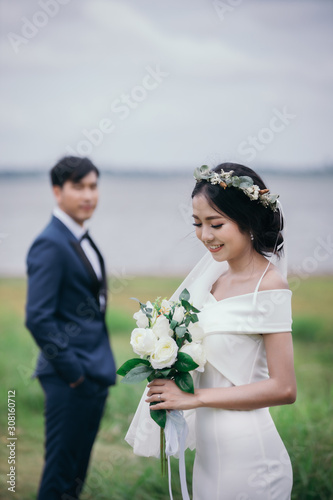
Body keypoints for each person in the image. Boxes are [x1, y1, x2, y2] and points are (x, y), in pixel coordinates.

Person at [126, 163, 297, 499]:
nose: (205, 236)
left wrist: (195, 399)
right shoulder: (212, 283)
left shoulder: (270, 286)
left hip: (250, 460)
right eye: (198, 224)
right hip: (209, 457)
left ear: (247, 221)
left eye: (215, 224)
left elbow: (284, 388)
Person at [25, 156, 116, 500]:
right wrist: (74, 373)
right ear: (57, 191)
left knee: (75, 476)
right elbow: (37, 316)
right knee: (60, 476)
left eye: (93, 186)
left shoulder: (78, 237)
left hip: (92, 373)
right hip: (70, 377)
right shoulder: (51, 242)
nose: (88, 195)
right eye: (78, 187)